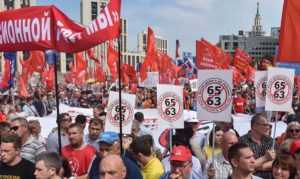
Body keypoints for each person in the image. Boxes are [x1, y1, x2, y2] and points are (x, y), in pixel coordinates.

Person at [239, 114, 276, 178]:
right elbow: (243, 166)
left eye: (269, 125)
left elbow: (277, 162)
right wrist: (265, 158)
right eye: (264, 125)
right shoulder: (242, 141)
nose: (268, 128)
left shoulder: (271, 141)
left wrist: (261, 166)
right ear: (254, 126)